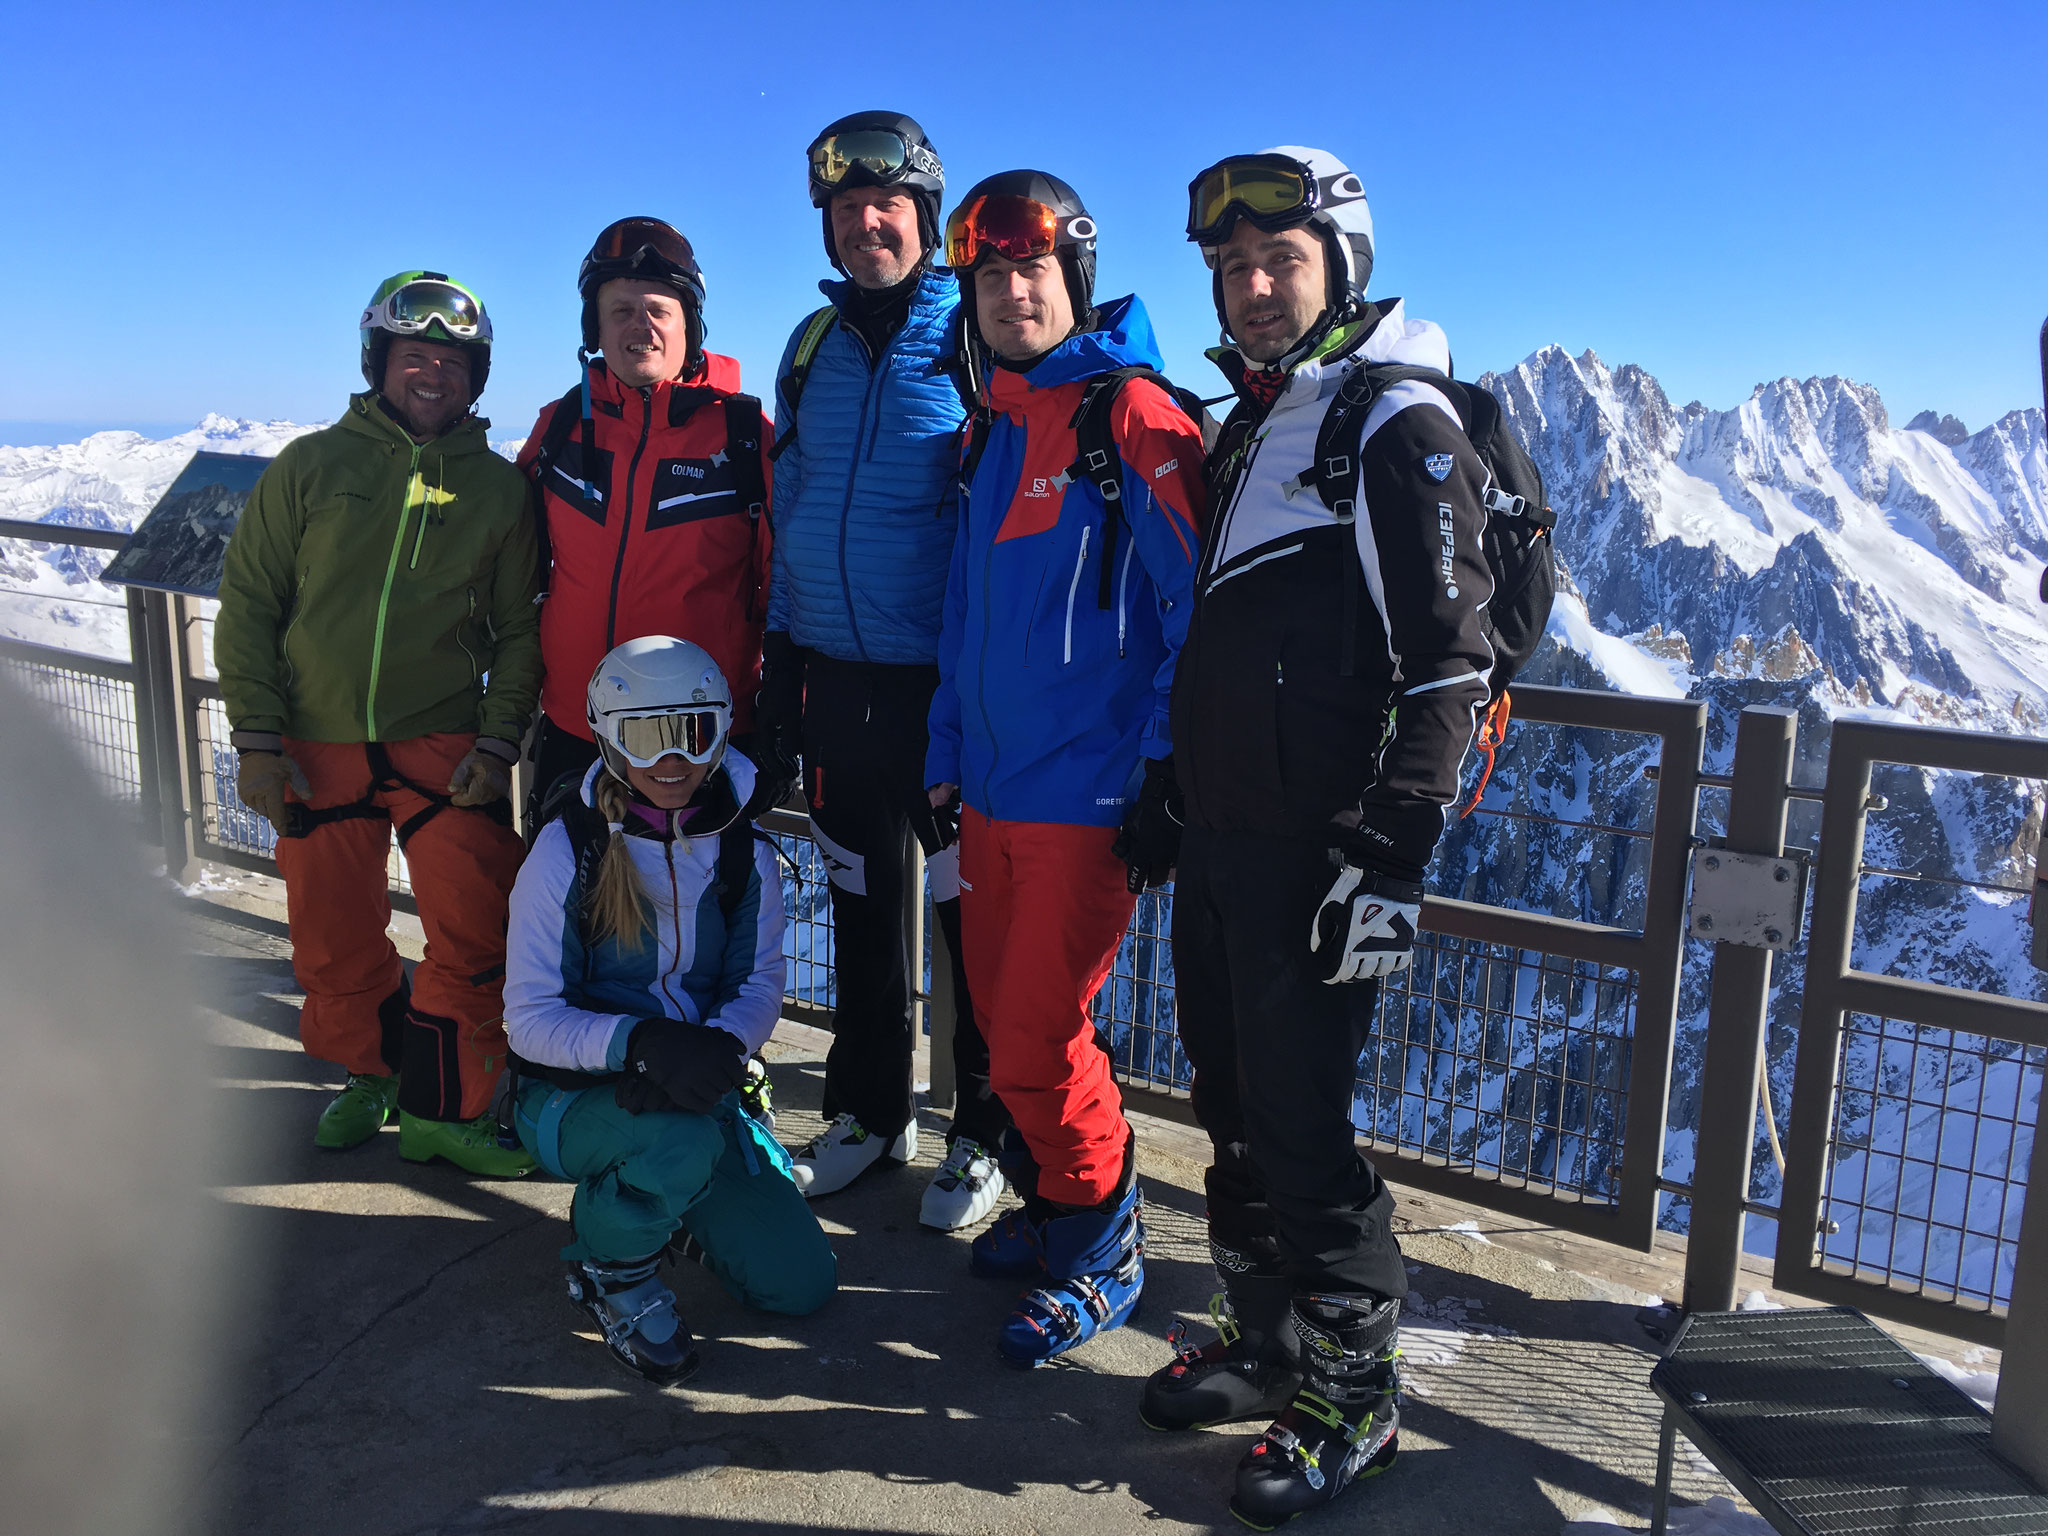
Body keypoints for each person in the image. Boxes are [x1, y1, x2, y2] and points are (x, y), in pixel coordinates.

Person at [1141, 148, 1495, 1527]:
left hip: (1319, 852)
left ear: (1342, 262)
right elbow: (1234, 638)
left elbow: (1446, 669)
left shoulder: (1393, 421)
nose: (1252, 288)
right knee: (1230, 1111)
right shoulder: (1266, 422)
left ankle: (1357, 1390)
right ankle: (1270, 1340)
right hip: (1227, 837)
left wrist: (1390, 859)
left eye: (1280, 260)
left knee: (1301, 1127)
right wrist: (1174, 783)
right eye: (1231, 267)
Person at [925, 171, 1206, 1367]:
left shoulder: (1129, 417)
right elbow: (965, 614)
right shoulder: (995, 424)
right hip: (986, 793)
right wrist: (943, 756)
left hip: (1084, 797)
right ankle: (1057, 1206)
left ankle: (1102, 1246)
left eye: (1029, 270)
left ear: (1073, 278)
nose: (1008, 292)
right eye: (987, 277)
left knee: (1041, 1031)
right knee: (1003, 1025)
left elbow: (1203, 606)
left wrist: (1162, 769)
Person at [216, 271, 540, 1177]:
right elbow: (250, 605)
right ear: (378, 364)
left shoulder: (500, 491)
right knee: (333, 930)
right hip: (317, 742)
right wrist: (259, 743)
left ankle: (452, 1105)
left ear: (475, 376)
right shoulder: (312, 467)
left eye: (449, 359)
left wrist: (498, 738)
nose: (430, 373)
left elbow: (519, 630)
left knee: (476, 930)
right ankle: (371, 1074)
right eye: (412, 357)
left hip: (441, 739)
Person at [759, 110, 1009, 1227]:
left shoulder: (974, 333)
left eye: (888, 206)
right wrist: (778, 668)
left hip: (947, 696)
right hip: (839, 687)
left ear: (927, 220)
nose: (868, 223)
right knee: (861, 911)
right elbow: (793, 506)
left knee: (975, 923)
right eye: (847, 209)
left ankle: (985, 1135)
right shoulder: (808, 349)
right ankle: (869, 1110)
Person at [502, 637, 835, 1385]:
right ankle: (611, 1272)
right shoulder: (570, 851)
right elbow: (527, 1018)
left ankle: (670, 1191)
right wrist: (642, 1044)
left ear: (719, 732)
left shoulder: (739, 849)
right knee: (675, 1148)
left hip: (696, 1082)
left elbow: (757, 979)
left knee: (799, 1286)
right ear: (608, 737)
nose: (673, 762)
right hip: (570, 1095)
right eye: (645, 738)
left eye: (694, 734)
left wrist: (718, 1050)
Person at [517, 217, 775, 819]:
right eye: (621, 310)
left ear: (691, 324)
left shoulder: (743, 440)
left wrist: (783, 719)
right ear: (595, 327)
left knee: (692, 912)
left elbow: (786, 591)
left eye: (659, 309)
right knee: (566, 909)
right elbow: (514, 561)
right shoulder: (559, 429)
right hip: (576, 731)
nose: (641, 326)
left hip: (696, 743)